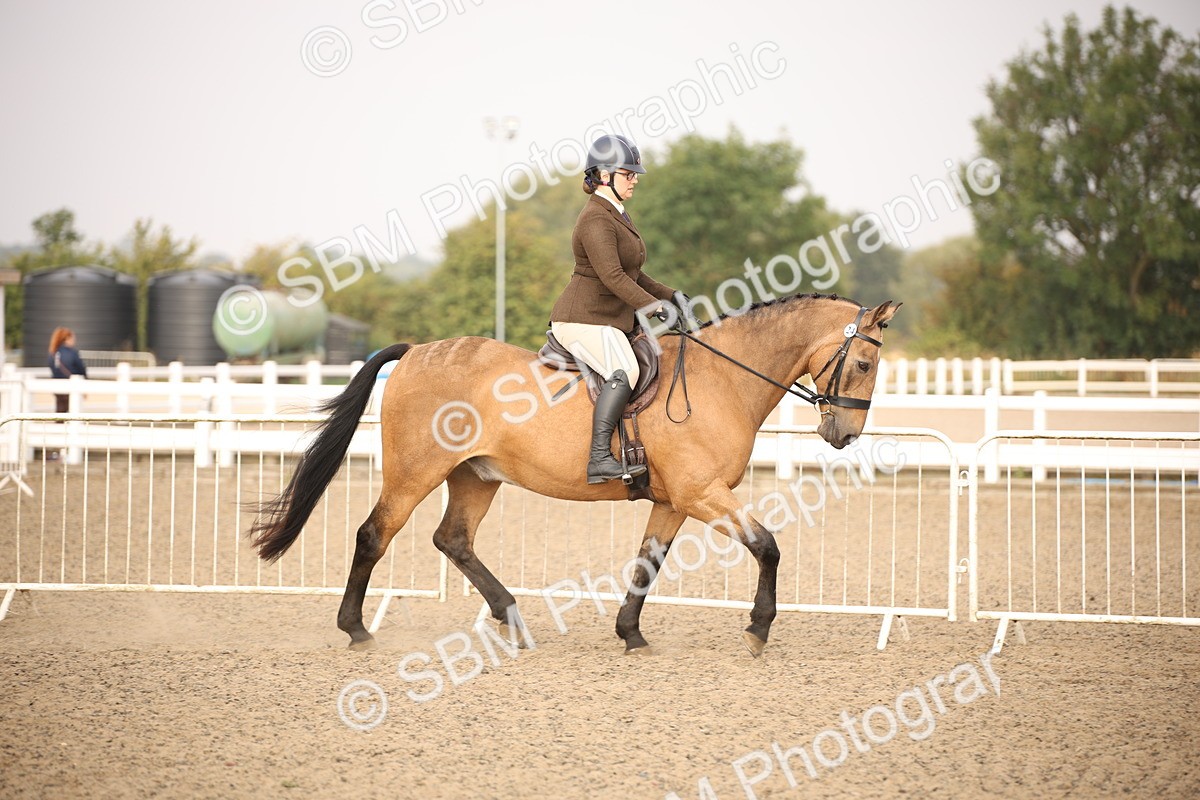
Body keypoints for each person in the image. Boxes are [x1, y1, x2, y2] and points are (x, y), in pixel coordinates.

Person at [548, 134, 682, 484]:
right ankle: (599, 458)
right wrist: (654, 307)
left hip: (605, 319)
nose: (635, 179)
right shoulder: (596, 218)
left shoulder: (616, 213)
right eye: (628, 174)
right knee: (624, 369)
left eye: (634, 174)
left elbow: (633, 272)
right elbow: (612, 277)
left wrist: (671, 295)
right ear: (605, 175)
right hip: (581, 319)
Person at [48, 327, 87, 413]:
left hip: (57, 387)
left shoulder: (53, 352)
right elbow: (81, 369)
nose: (74, 340)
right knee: (73, 411)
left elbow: (52, 368)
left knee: (60, 411)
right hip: (71, 386)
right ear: (67, 338)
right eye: (72, 338)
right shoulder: (72, 353)